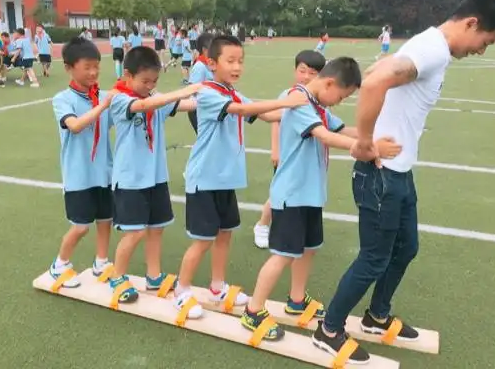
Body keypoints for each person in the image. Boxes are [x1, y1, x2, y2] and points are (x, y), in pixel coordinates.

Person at [312, 0, 495, 365]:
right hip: (380, 175)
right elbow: (375, 80)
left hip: (399, 174)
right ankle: (328, 329)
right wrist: (365, 142)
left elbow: (376, 71)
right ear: (472, 23)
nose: (481, 50)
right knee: (374, 259)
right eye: (485, 41)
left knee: (406, 248)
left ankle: (376, 317)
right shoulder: (433, 49)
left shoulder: (431, 47)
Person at [242, 58, 402, 340]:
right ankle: (253, 311)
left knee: (308, 249)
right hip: (292, 193)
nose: (339, 102)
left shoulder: (318, 105)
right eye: (341, 96)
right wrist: (369, 147)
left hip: (310, 192)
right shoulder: (299, 100)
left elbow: (341, 130)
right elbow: (325, 137)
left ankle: (296, 300)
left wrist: (374, 135)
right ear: (329, 83)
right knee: (283, 255)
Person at [172, 35, 309, 318]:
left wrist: (305, 111)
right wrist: (288, 102)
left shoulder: (232, 93)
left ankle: (217, 286)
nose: (237, 67)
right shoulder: (209, 93)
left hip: (225, 180)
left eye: (240, 61)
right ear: (212, 63)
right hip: (205, 180)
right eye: (230, 61)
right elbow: (244, 110)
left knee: (225, 234)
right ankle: (181, 290)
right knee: (203, 240)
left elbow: (269, 115)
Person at [107, 46, 201, 303]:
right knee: (134, 232)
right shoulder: (119, 99)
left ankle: (154, 275)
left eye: (154, 81)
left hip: (156, 176)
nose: (150, 86)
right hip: (131, 179)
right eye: (145, 81)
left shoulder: (154, 97)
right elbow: (145, 104)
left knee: (156, 228)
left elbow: (183, 104)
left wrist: (211, 98)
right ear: (128, 75)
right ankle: (117, 277)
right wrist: (182, 90)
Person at [49, 37, 115, 288]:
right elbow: (75, 125)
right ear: (69, 67)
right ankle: (59, 265)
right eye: (87, 67)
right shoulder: (62, 99)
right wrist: (103, 105)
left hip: (104, 173)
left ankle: (101, 262)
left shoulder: (103, 96)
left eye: (96, 66)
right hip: (78, 176)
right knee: (80, 227)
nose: (94, 72)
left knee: (105, 219)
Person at [254, 50, 330, 248]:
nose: (306, 76)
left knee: (294, 192)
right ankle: (262, 225)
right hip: (288, 155)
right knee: (281, 194)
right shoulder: (290, 95)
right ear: (295, 70)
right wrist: (275, 149)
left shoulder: (319, 99)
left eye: (312, 73)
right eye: (302, 71)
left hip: (306, 158)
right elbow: (275, 120)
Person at [186, 33, 215, 135]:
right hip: (197, 110)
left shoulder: (210, 65)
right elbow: (192, 90)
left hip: (208, 109)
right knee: (206, 140)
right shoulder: (199, 67)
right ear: (204, 49)